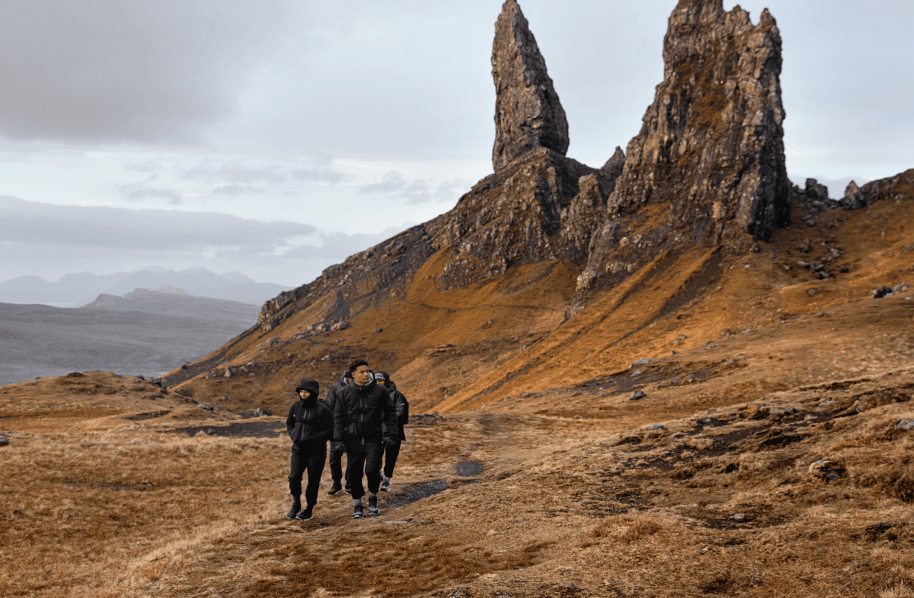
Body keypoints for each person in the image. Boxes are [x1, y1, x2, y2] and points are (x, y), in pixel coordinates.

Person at [334, 358, 398, 519]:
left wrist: (392, 434)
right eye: (362, 372)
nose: (366, 374)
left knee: (372, 470)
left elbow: (390, 413)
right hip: (352, 439)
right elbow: (338, 417)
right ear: (353, 374)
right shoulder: (344, 393)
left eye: (368, 371)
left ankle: (373, 498)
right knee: (354, 473)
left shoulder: (379, 391)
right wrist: (338, 440)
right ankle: (357, 503)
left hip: (374, 437)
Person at [285, 378, 333, 521]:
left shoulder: (323, 409)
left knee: (313, 481)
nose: (303, 394)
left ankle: (309, 509)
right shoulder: (295, 407)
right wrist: (294, 435)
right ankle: (296, 504)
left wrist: (317, 438)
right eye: (301, 391)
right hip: (298, 449)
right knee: (294, 477)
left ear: (313, 393)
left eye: (306, 392)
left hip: (316, 451)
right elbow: (289, 423)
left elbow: (331, 429)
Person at [374, 371, 408, 492]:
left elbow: (401, 412)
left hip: (394, 433)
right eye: (376, 380)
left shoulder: (397, 395)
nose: (378, 383)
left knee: (391, 457)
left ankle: (387, 480)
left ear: (386, 381)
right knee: (375, 456)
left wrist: (386, 418)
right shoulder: (372, 395)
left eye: (381, 380)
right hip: (377, 432)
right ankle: (378, 475)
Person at [323, 370, 352, 496]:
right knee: (334, 458)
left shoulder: (360, 388)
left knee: (353, 458)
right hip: (337, 428)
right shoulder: (336, 387)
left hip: (353, 429)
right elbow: (329, 406)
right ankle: (336, 483)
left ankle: (350, 483)